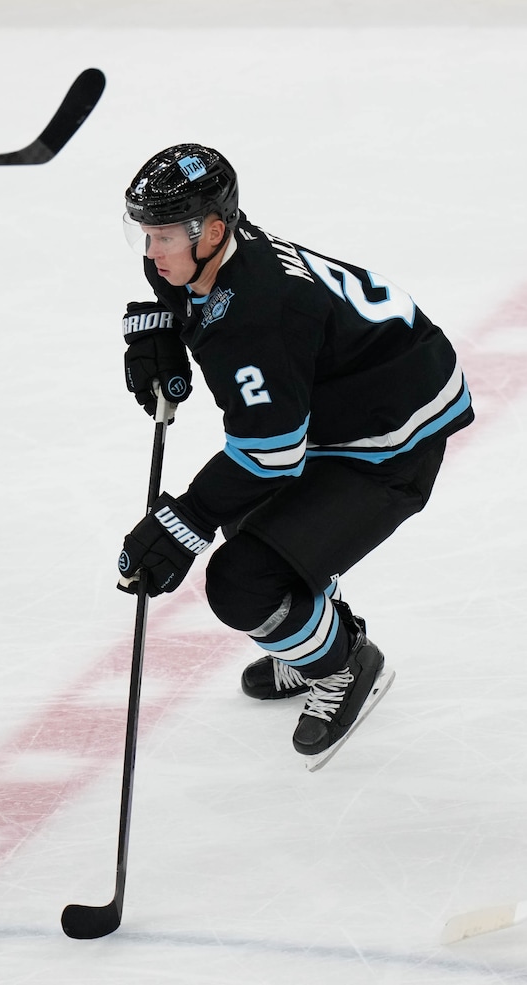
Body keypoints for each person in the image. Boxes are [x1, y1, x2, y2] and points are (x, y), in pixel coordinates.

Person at [117, 143, 474, 766]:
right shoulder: (199, 261)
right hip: (343, 407)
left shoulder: (261, 312)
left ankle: (342, 664)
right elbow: (192, 307)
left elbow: (271, 454)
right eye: (143, 235)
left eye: (164, 237)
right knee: (251, 521)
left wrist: (182, 523)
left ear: (215, 230)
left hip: (391, 440)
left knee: (242, 582)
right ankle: (316, 636)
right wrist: (159, 331)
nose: (151, 253)